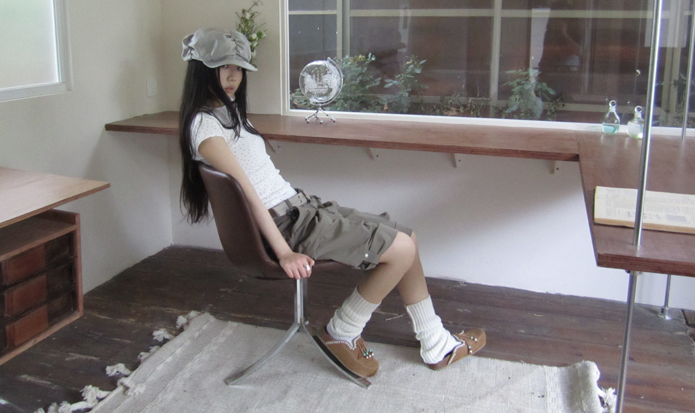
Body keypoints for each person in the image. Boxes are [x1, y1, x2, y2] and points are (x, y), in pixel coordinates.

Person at [178, 28, 486, 378]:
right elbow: (248, 194)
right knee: (401, 250)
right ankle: (343, 331)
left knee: (408, 238)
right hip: (286, 226)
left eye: (238, 68)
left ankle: (434, 341)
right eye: (223, 68)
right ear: (201, 70)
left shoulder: (227, 112)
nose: (233, 76)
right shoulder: (204, 126)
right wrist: (284, 252)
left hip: (299, 210)